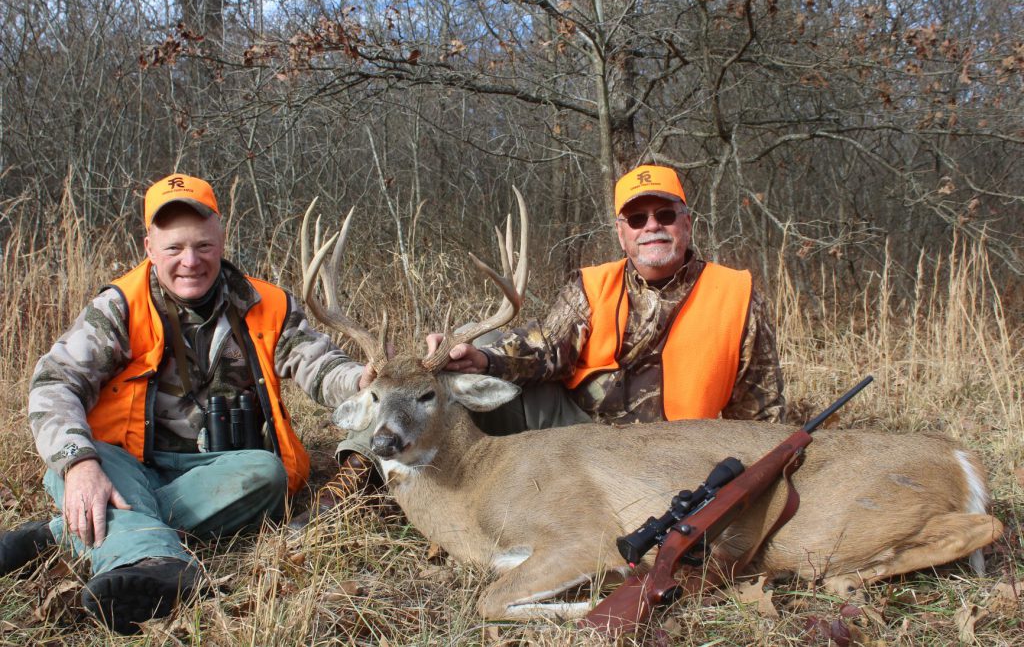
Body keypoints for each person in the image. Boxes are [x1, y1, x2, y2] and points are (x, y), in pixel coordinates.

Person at [0, 174, 370, 635]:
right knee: (86, 461)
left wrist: (365, 380)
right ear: (149, 247)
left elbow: (321, 368)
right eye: (174, 248)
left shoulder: (265, 304)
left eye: (203, 246)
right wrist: (78, 464)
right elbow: (54, 382)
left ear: (221, 239)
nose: (190, 262)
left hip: (216, 469)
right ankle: (164, 567)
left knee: (267, 474)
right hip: (123, 463)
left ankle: (64, 534)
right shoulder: (120, 307)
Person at [425, 163, 785, 430]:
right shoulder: (593, 286)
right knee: (479, 338)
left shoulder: (737, 296)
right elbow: (547, 347)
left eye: (665, 214)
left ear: (686, 223)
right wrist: (482, 360)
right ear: (621, 233)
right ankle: (375, 459)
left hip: (679, 458)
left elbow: (760, 415)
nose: (652, 226)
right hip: (582, 436)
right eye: (636, 219)